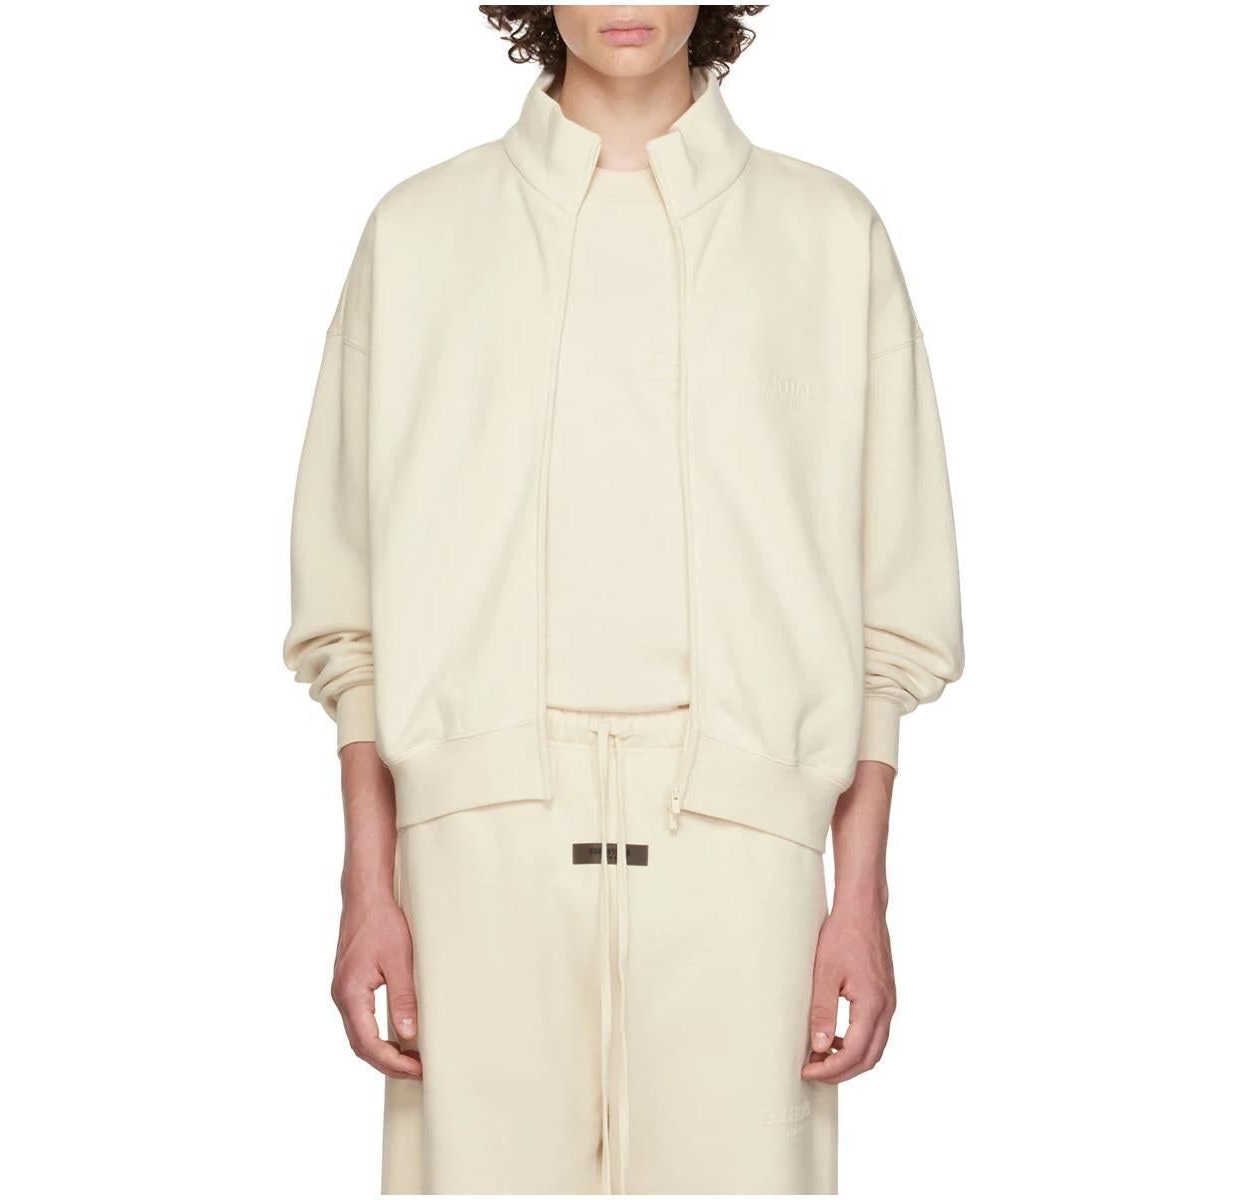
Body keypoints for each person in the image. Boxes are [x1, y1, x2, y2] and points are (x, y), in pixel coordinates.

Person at [284, 5, 963, 1193]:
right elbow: (351, 610)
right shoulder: (421, 234)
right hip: (476, 868)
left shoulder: (827, 238)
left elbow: (888, 609)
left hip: (744, 869)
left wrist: (859, 899)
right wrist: (368, 885)